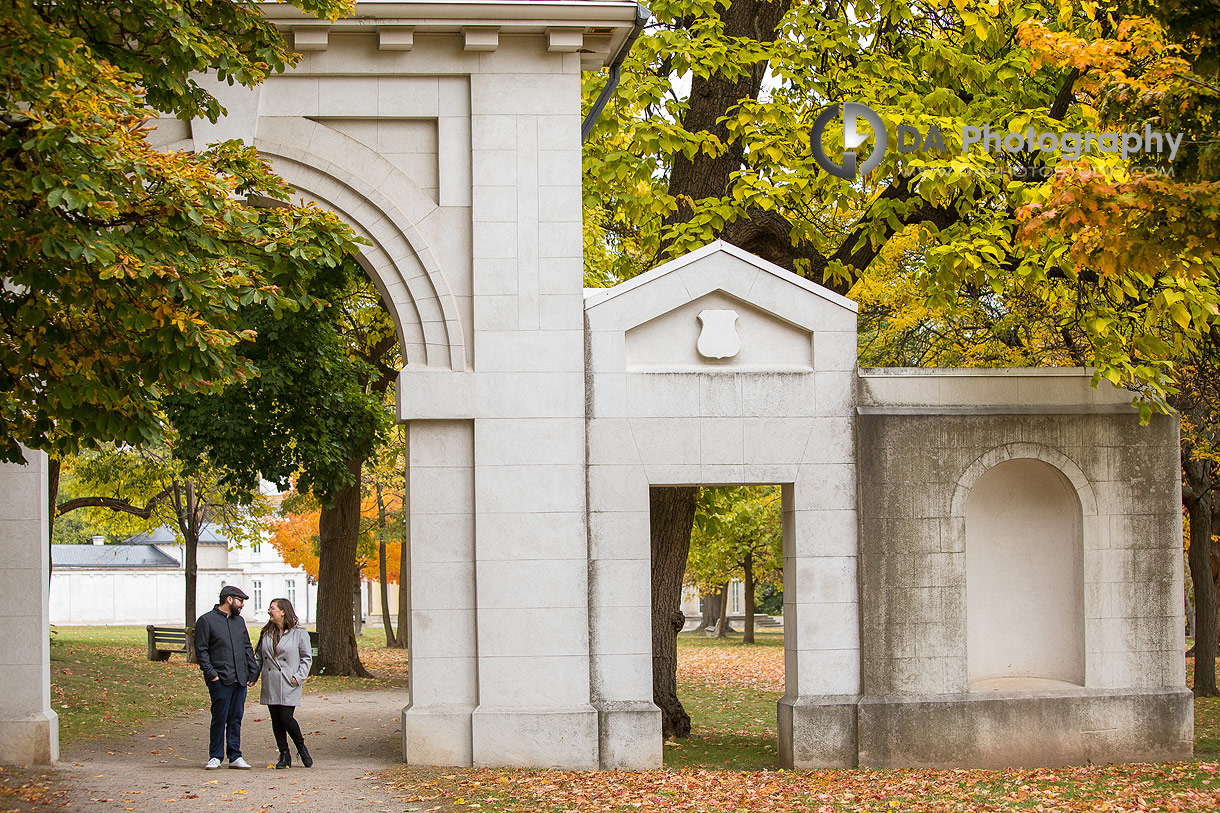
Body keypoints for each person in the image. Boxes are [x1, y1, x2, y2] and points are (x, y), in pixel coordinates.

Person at [194, 585, 258, 770]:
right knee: (219, 718)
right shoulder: (207, 621)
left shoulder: (239, 622)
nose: (242, 605)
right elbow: (202, 651)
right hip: (220, 679)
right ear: (229, 599)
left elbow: (247, 646)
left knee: (236, 717)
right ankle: (215, 755)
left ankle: (235, 755)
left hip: (240, 678)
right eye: (240, 600)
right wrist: (211, 675)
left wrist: (252, 672)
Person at [250, 597, 314, 769]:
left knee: (286, 717)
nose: (270, 611)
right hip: (271, 681)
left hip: (289, 681)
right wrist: (253, 676)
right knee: (276, 720)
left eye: (273, 608)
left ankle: (301, 748)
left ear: (283, 611)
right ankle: (284, 753)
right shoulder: (267, 632)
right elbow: (258, 658)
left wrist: (299, 677)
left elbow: (307, 658)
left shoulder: (299, 632)